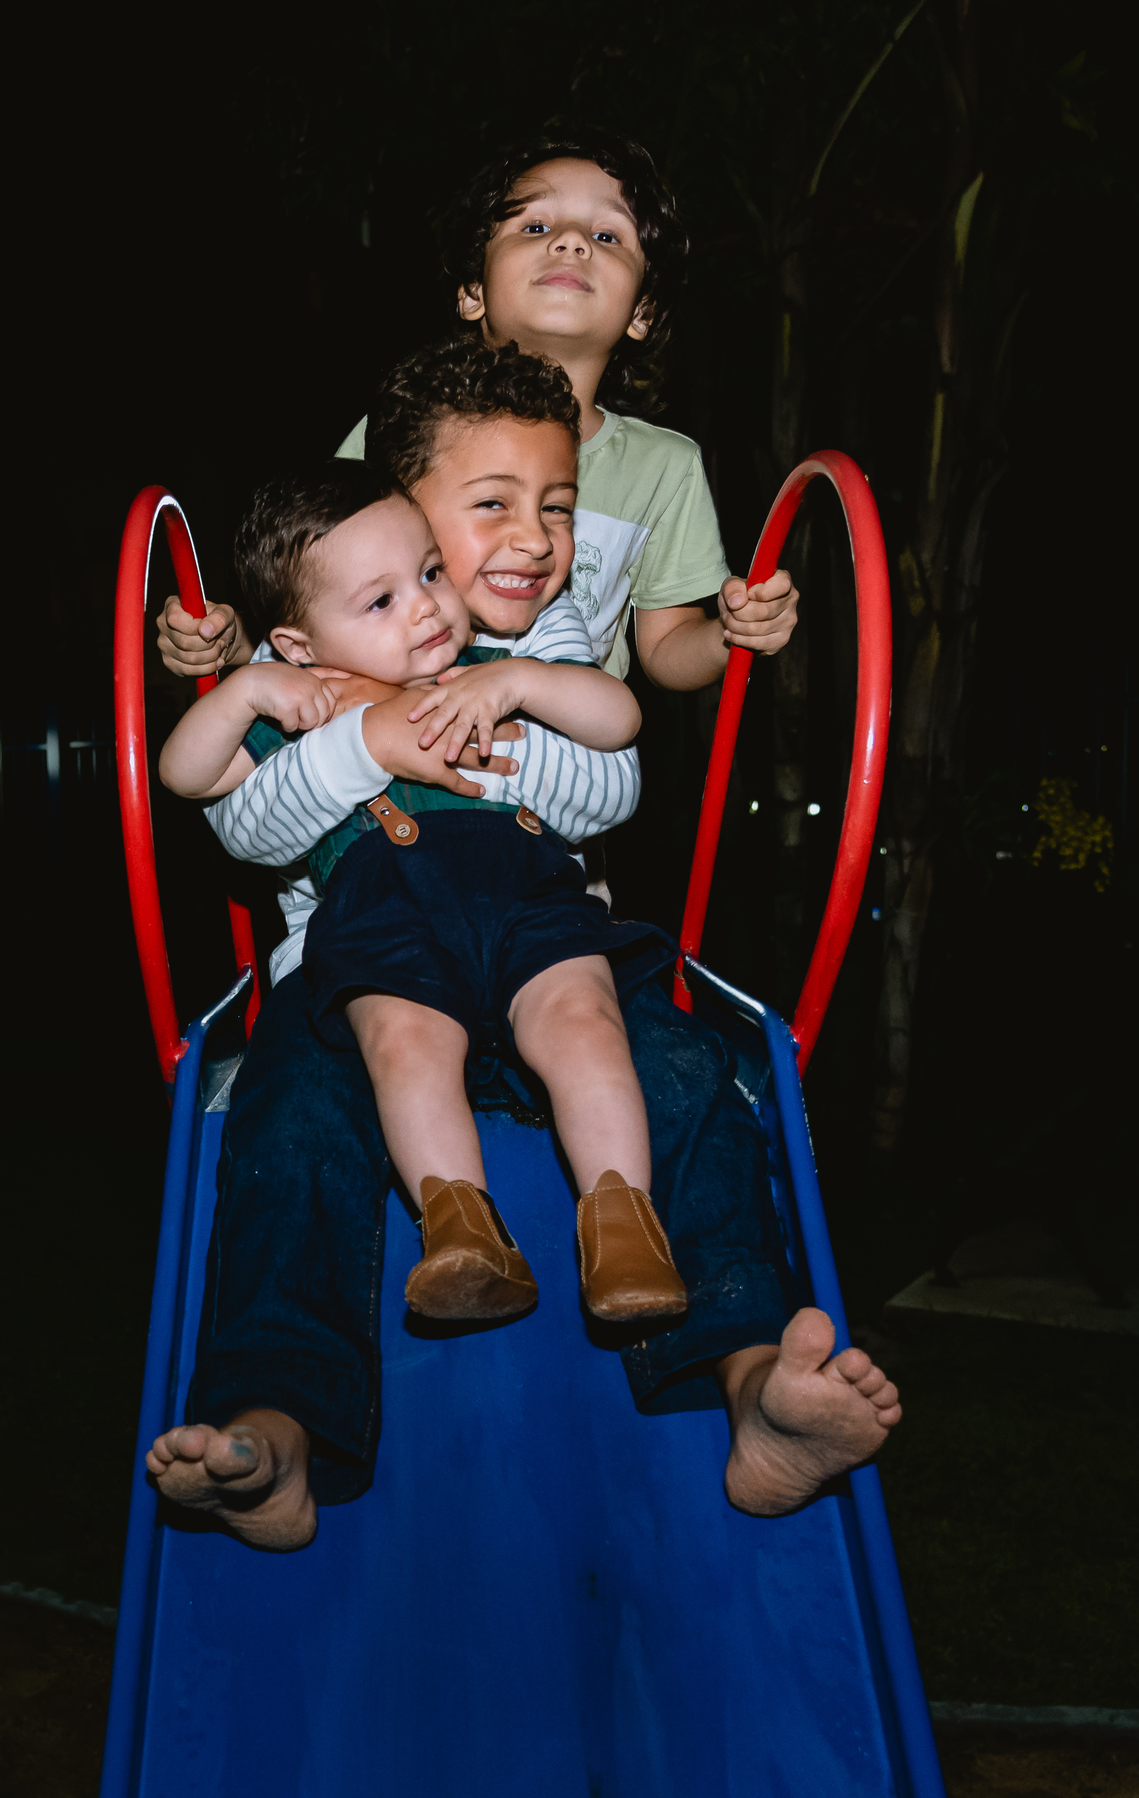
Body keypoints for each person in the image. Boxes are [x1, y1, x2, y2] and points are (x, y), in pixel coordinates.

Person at [147, 147, 901, 1551]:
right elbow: (247, 802)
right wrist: (308, 706)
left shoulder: (541, 638)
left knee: (686, 1070)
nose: (514, 542)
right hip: (365, 970)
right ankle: (277, 1430)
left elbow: (608, 753)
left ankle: (755, 1386)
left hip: (545, 938)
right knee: (293, 1114)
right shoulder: (331, 654)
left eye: (547, 510)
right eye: (465, 520)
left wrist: (501, 704)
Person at [159, 448, 688, 1326]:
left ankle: (623, 1222)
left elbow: (620, 718)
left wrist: (518, 680)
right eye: (382, 601)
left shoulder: (494, 661)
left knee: (585, 1023)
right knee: (405, 1048)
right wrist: (248, 687)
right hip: (384, 925)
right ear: (298, 643)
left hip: (530, 901)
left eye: (431, 573)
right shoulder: (308, 702)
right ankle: (462, 1230)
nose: (428, 609)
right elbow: (187, 775)